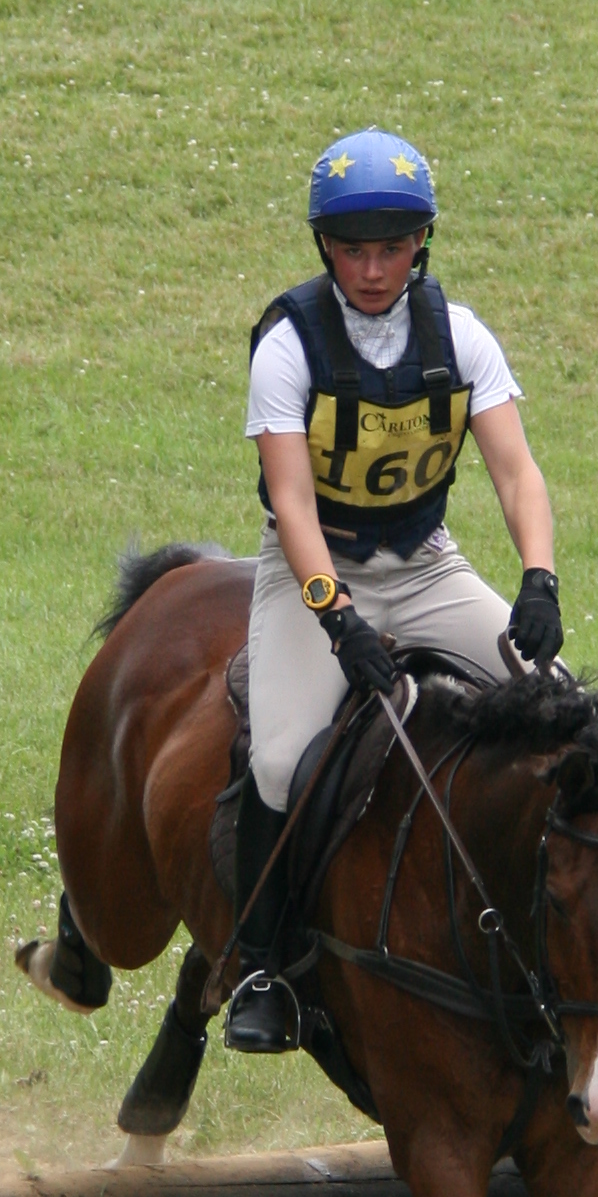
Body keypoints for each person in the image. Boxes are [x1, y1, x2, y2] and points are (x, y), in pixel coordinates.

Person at [225, 128, 563, 1052]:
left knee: (563, 709)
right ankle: (259, 967)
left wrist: (539, 576)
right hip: (313, 572)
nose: (373, 270)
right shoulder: (288, 344)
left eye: (393, 248)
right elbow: (292, 502)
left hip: (425, 565)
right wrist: (336, 616)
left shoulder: (462, 337)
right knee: (281, 761)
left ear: (422, 244)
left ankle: (568, 940)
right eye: (352, 250)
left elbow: (516, 472)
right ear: (323, 247)